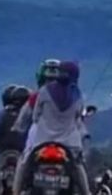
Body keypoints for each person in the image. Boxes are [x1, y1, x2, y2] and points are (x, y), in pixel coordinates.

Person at [12, 60, 91, 195]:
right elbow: (78, 117)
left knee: (24, 162)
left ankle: (16, 191)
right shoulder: (77, 95)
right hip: (69, 144)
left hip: (42, 140)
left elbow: (36, 115)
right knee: (78, 166)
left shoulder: (44, 91)